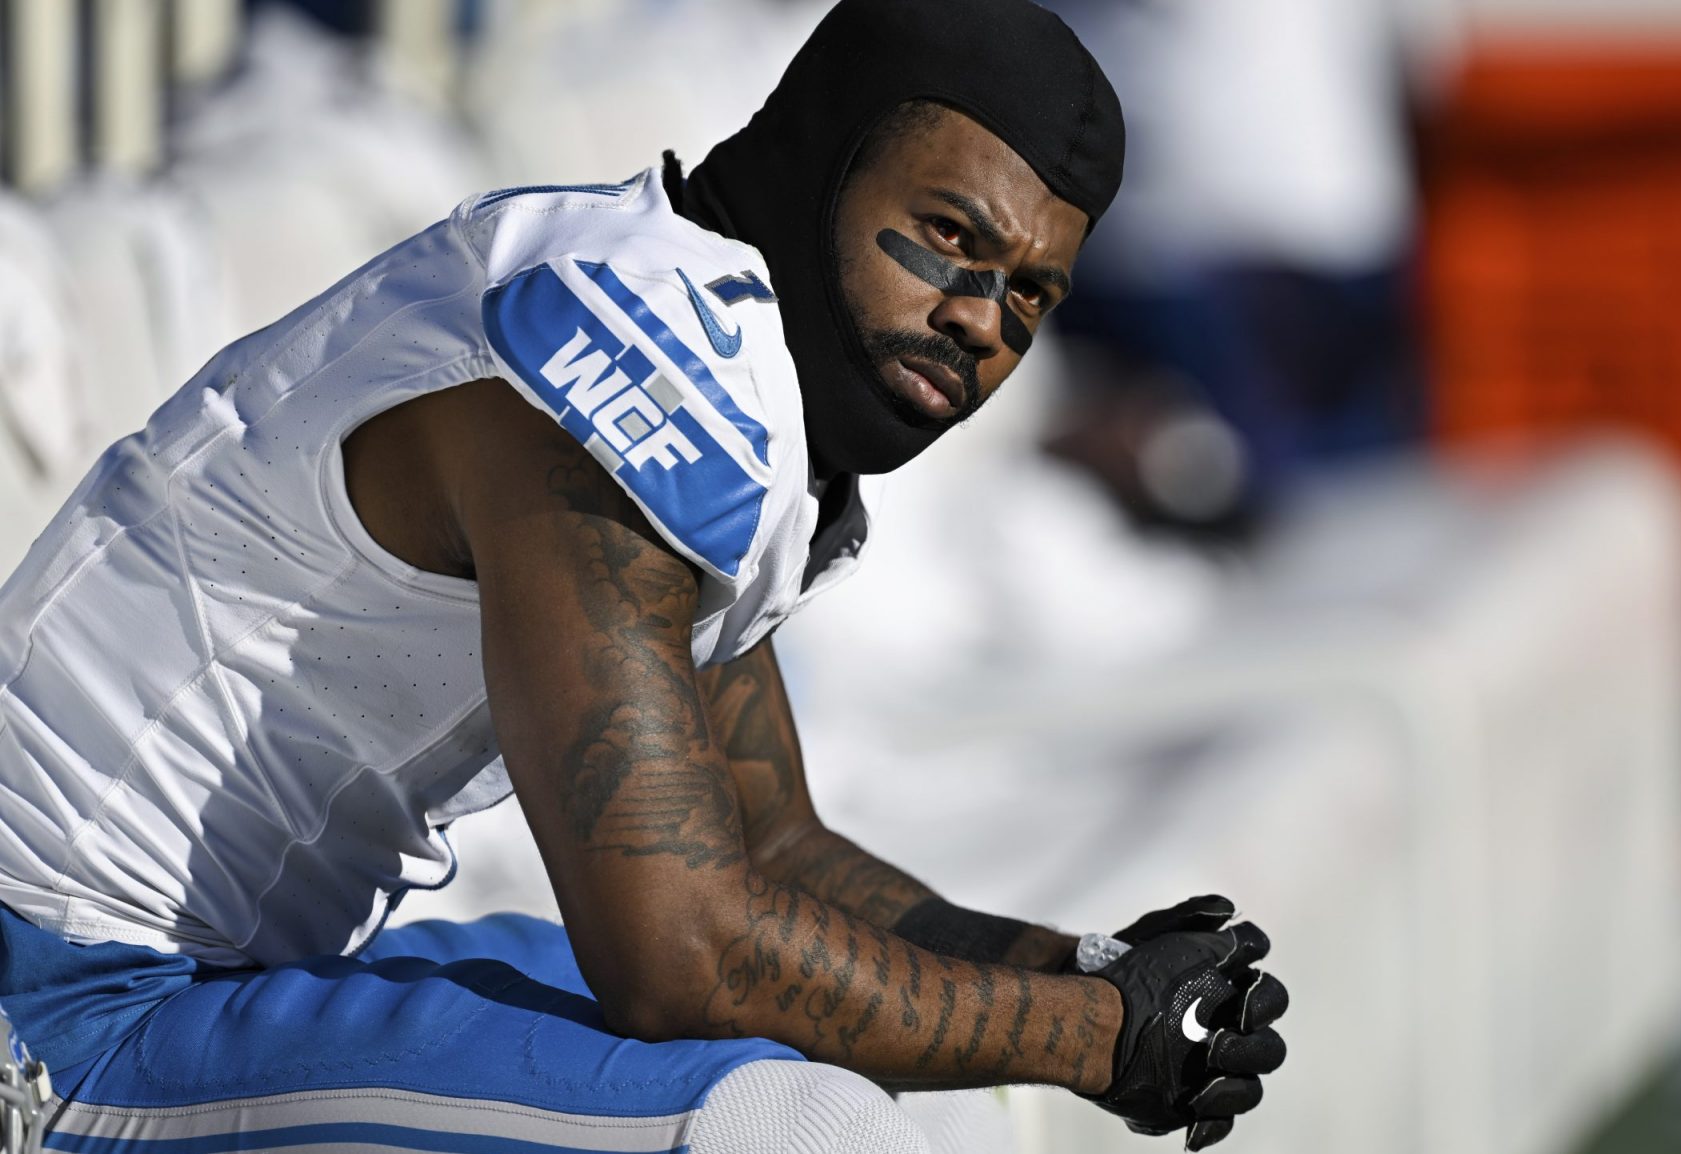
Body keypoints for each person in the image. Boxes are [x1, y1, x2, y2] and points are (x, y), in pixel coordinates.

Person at [0, 1, 1287, 1151]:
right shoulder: (647, 366)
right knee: (794, 1126)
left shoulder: (696, 319)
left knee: (816, 1077)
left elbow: (772, 846)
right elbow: (677, 955)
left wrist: (1098, 967)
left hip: (186, 973)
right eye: (946, 236)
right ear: (818, 161)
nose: (978, 319)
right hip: (61, 1005)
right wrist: (1095, 1038)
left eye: (1030, 296)